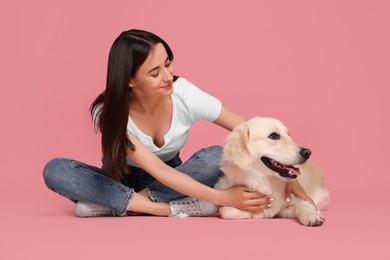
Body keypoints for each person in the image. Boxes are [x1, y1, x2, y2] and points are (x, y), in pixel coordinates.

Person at [43, 29, 314, 218]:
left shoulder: (184, 93)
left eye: (168, 64)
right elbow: (157, 170)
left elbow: (250, 131)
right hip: (123, 177)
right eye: (154, 72)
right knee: (56, 170)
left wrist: (282, 171)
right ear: (130, 80)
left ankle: (117, 204)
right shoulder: (108, 112)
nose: (167, 76)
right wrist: (222, 199)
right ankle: (165, 207)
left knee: (216, 156)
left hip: (177, 176)